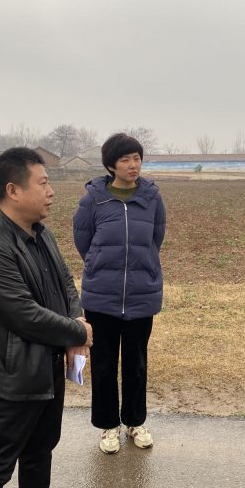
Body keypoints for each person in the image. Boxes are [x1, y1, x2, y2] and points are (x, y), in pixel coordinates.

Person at [0, 147, 92, 488]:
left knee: (40, 448)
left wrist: (76, 319)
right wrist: (78, 332)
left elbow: (65, 282)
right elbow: (23, 314)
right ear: (13, 190)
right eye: (43, 183)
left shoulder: (39, 232)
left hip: (46, 367)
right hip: (11, 378)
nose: (51, 192)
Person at [73, 133, 166, 454]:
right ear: (111, 165)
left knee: (136, 363)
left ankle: (135, 422)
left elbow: (156, 239)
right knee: (103, 363)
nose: (133, 165)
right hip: (102, 297)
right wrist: (102, 267)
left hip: (141, 295)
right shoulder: (93, 199)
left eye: (137, 158)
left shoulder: (152, 197)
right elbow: (84, 241)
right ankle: (108, 425)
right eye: (125, 159)